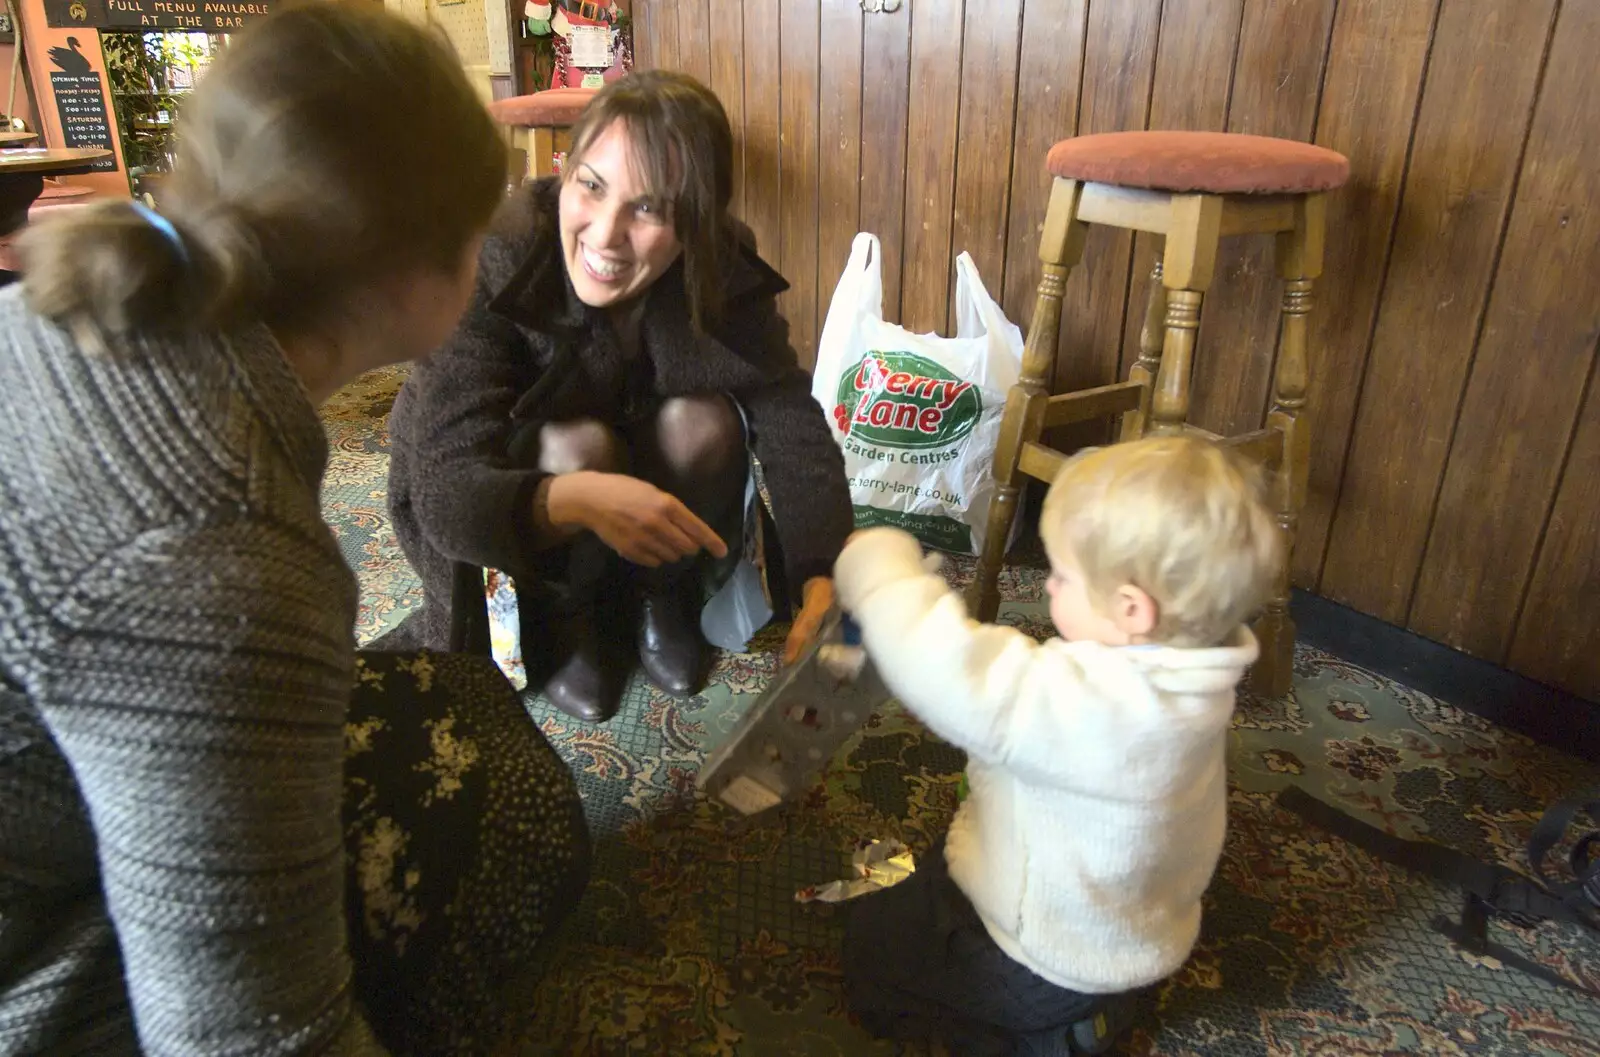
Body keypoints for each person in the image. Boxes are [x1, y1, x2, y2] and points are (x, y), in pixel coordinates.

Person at [0, 7, 589, 1056]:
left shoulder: (56, 306)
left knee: (456, 694)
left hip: (57, 807)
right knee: (519, 821)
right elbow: (249, 1034)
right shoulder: (223, 558)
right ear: (420, 270)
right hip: (40, 981)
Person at [381, 70, 853, 723]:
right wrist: (568, 499)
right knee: (578, 445)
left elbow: (786, 412)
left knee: (706, 424)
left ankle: (661, 597)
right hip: (527, 486)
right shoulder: (499, 251)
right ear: (564, 171)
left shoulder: (719, 259)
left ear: (695, 222)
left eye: (650, 207)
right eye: (592, 187)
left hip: (651, 461)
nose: (604, 235)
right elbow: (444, 490)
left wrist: (822, 570)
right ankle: (572, 619)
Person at [833, 435, 1282, 1055]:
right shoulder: (1199, 672)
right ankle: (1090, 1010)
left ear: (1131, 608)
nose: (1046, 586)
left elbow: (947, 667)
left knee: (873, 944)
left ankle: (1037, 1036)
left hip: (1034, 956)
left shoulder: (1083, 706)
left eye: (1062, 575)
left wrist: (879, 567)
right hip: (1131, 933)